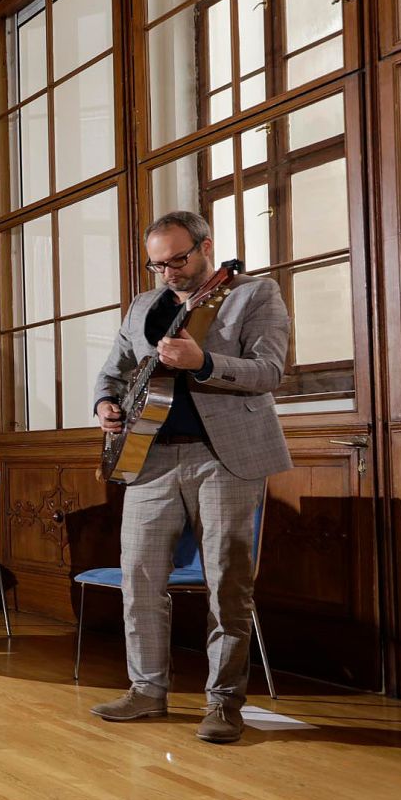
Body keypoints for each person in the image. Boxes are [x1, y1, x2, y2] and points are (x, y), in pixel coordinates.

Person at [89, 210, 291, 743]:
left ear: (206, 247)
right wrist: (106, 403)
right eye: (157, 265)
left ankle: (224, 703)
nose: (167, 274)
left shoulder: (253, 295)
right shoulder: (142, 307)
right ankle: (147, 691)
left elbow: (270, 372)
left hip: (223, 457)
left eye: (177, 260)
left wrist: (204, 362)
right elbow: (114, 369)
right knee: (139, 579)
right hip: (150, 459)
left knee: (227, 583)